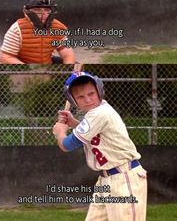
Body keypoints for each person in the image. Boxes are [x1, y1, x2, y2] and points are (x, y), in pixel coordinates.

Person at [53, 71, 147, 221]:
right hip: (106, 180)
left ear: (99, 91)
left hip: (124, 178)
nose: (88, 99)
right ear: (73, 100)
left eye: (91, 93)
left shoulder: (100, 113)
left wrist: (60, 133)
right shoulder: (95, 113)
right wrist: (74, 124)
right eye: (81, 97)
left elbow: (67, 145)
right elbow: (95, 136)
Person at [0, 0, 75, 64]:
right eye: (37, 9)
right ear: (26, 11)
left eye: (47, 9)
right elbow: (6, 57)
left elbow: (67, 53)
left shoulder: (58, 27)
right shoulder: (17, 29)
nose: (44, 13)